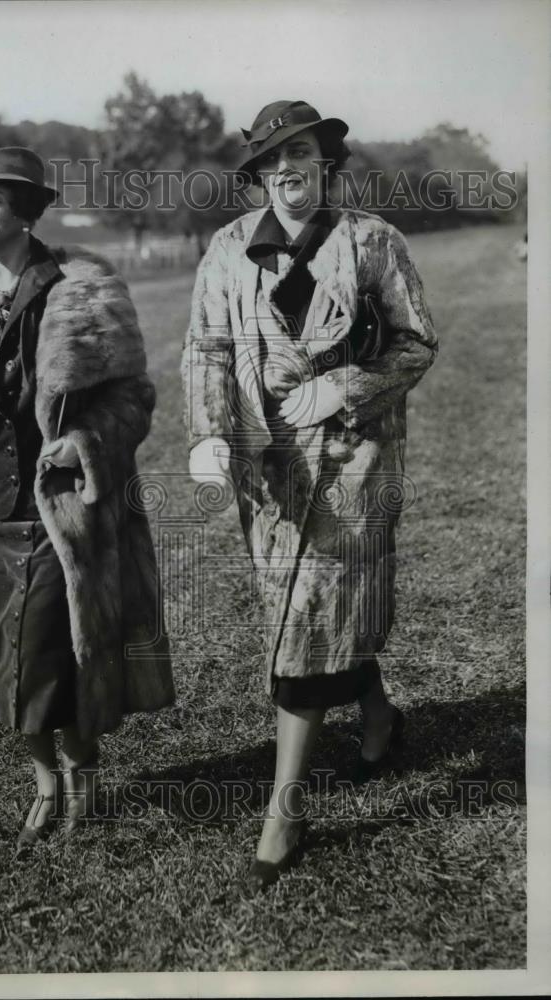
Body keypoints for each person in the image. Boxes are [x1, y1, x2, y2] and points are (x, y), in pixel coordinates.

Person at [181, 101, 437, 891]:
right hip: (268, 473)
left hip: (359, 463)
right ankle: (380, 717)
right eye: (273, 159)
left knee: (308, 618)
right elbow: (208, 349)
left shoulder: (371, 240)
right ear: (258, 175)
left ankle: (284, 811)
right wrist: (208, 432)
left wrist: (345, 386)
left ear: (326, 162)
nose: (289, 168)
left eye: (304, 153)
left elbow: (417, 341)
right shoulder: (227, 250)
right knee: (313, 611)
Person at [0, 147, 174, 849]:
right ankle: (43, 780)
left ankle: (81, 778)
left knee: (59, 648)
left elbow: (133, 397)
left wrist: (83, 440)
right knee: (2, 661)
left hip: (62, 505)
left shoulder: (81, 288)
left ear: (26, 208)